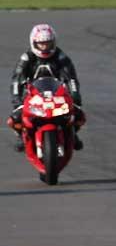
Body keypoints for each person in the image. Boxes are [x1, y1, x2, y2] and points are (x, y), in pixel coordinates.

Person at [7, 23, 85, 152]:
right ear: (34, 43)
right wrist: (17, 101)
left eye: (48, 43)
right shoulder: (26, 58)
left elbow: (71, 78)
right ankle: (22, 136)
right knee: (13, 120)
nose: (44, 47)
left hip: (58, 94)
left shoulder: (61, 57)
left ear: (53, 42)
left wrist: (75, 96)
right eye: (41, 44)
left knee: (79, 115)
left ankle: (72, 133)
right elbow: (16, 80)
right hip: (32, 95)